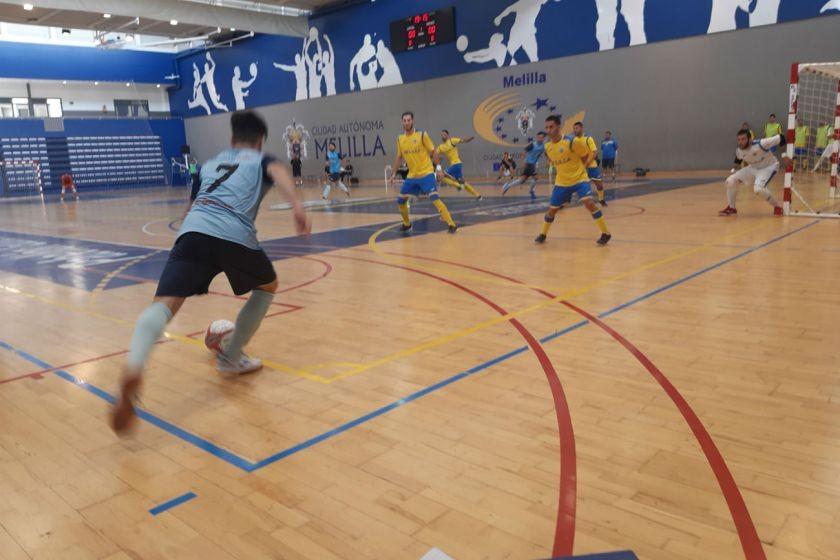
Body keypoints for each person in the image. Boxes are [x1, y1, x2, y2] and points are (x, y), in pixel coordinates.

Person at [111, 110, 310, 433]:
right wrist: (298, 207)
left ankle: (134, 365)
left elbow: (189, 209)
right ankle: (231, 357)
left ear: (232, 140)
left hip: (192, 232)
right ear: (260, 141)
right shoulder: (261, 160)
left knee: (163, 304)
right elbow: (280, 171)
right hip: (234, 232)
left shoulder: (208, 164)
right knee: (267, 285)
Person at [535, 115, 611, 245]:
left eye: (551, 127)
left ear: (558, 127)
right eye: (546, 127)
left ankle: (606, 233)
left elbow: (584, 156)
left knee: (589, 203)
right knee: (552, 210)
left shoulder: (572, 141)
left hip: (579, 179)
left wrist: (582, 170)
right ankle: (543, 234)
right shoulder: (547, 146)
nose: (548, 130)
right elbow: (550, 158)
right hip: (561, 183)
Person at [388, 111, 458, 233]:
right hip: (412, 176)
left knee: (435, 198)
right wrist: (393, 173)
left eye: (409, 120)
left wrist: (439, 169)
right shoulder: (400, 139)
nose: (406, 122)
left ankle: (451, 224)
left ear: (412, 121)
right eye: (404, 120)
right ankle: (407, 224)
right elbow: (399, 157)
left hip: (426, 173)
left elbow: (434, 151)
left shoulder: (422, 135)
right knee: (400, 201)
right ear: (402, 122)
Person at [718, 129, 785, 216]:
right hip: (753, 168)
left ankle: (777, 206)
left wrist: (785, 156)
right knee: (730, 181)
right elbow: (738, 159)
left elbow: (782, 137)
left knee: (758, 189)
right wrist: (734, 169)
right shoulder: (739, 151)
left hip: (768, 167)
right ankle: (732, 208)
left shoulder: (762, 144)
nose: (740, 142)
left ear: (750, 139)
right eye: (738, 139)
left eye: (743, 139)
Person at [437, 130, 482, 200]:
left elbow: (464, 140)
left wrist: (470, 138)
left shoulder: (452, 141)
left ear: (448, 135)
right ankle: (478, 195)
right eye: (442, 135)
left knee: (440, 176)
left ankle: (458, 186)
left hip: (457, 164)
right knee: (462, 182)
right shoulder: (441, 147)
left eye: (444, 135)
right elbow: (434, 154)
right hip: (454, 165)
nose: (443, 136)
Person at [502, 131, 546, 199]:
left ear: (544, 138)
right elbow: (523, 153)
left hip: (532, 164)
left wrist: (539, 155)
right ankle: (531, 191)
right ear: (537, 138)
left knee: (522, 180)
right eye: (539, 137)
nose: (541, 139)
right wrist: (523, 162)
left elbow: (541, 152)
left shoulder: (543, 146)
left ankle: (507, 186)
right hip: (529, 164)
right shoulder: (533, 145)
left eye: (542, 137)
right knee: (536, 177)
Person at [574, 122, 607, 206]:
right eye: (574, 128)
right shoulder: (574, 141)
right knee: (579, 185)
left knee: (599, 185)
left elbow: (595, 152)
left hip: (592, 167)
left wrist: (588, 162)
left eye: (576, 128)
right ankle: (564, 201)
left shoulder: (588, 139)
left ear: (581, 128)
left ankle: (601, 199)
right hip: (582, 168)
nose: (575, 130)